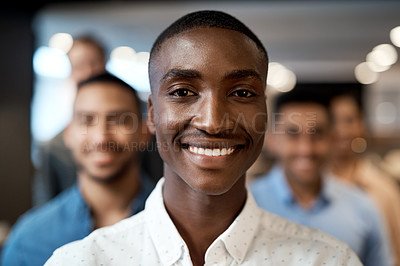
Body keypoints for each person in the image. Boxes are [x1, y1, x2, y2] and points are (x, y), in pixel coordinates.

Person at [45, 10, 362, 265]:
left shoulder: (328, 260)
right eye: (182, 92)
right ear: (152, 115)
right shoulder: (81, 260)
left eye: (241, 93)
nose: (212, 122)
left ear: (264, 111)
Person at [1, 73, 156, 266]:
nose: (101, 138)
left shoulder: (179, 226)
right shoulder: (29, 239)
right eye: (87, 120)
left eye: (118, 120)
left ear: (143, 133)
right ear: (69, 134)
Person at [249, 85, 394, 266]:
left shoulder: (363, 207)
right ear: (272, 140)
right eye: (292, 134)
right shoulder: (245, 205)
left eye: (317, 134)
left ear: (332, 140)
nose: (306, 149)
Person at [32, 35, 163, 206]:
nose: (88, 72)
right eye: (78, 66)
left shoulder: (143, 130)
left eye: (93, 63)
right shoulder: (53, 148)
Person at [328, 87, 400, 266]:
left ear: (362, 125)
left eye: (349, 121)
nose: (341, 130)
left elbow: (396, 250)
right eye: (333, 121)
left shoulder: (382, 187)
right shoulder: (307, 185)